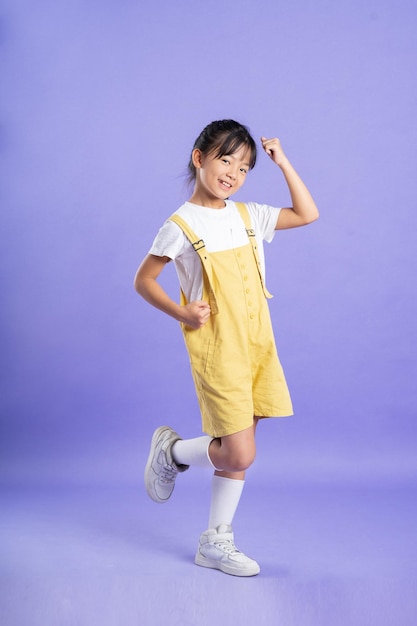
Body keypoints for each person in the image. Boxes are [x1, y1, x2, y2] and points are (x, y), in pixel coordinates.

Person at [134, 119, 319, 577]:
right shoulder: (180, 225)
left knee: (242, 445)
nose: (234, 172)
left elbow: (307, 213)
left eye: (244, 165)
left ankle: (215, 540)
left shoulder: (248, 214)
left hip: (258, 344)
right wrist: (182, 313)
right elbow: (144, 280)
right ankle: (173, 454)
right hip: (218, 348)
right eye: (225, 158)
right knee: (239, 452)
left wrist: (284, 162)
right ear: (200, 158)